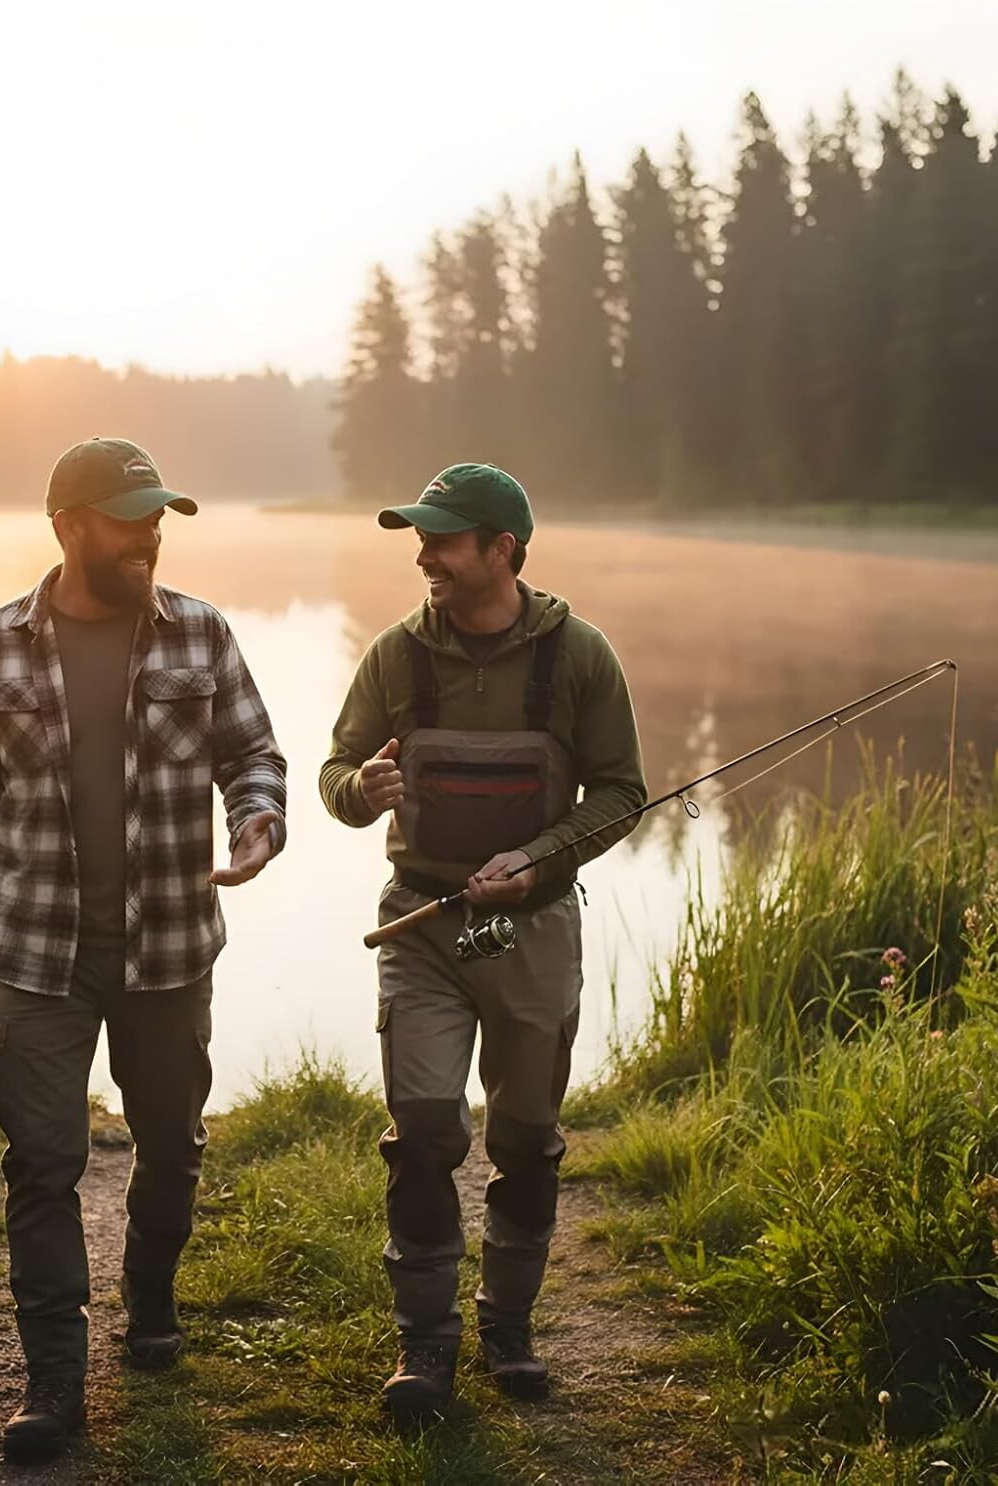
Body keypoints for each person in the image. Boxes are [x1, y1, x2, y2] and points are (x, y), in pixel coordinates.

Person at [0, 437, 287, 1461]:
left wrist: (258, 819)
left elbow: (253, 753)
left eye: (156, 516)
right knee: (43, 1162)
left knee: (171, 1146)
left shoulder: (202, 633)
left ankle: (151, 1297)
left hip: (169, 946)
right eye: (129, 519)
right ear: (69, 526)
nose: (149, 534)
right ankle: (53, 1379)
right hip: (37, 955)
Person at [318, 462, 645, 1424]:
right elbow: (337, 772)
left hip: (532, 930)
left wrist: (538, 863)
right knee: (424, 1135)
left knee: (526, 1140)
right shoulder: (393, 654)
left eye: (443, 539)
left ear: (503, 549)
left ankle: (509, 1327)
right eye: (421, 538)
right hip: (420, 924)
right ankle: (425, 1344)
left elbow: (622, 794)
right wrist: (358, 793)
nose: (424, 555)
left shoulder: (581, 657)